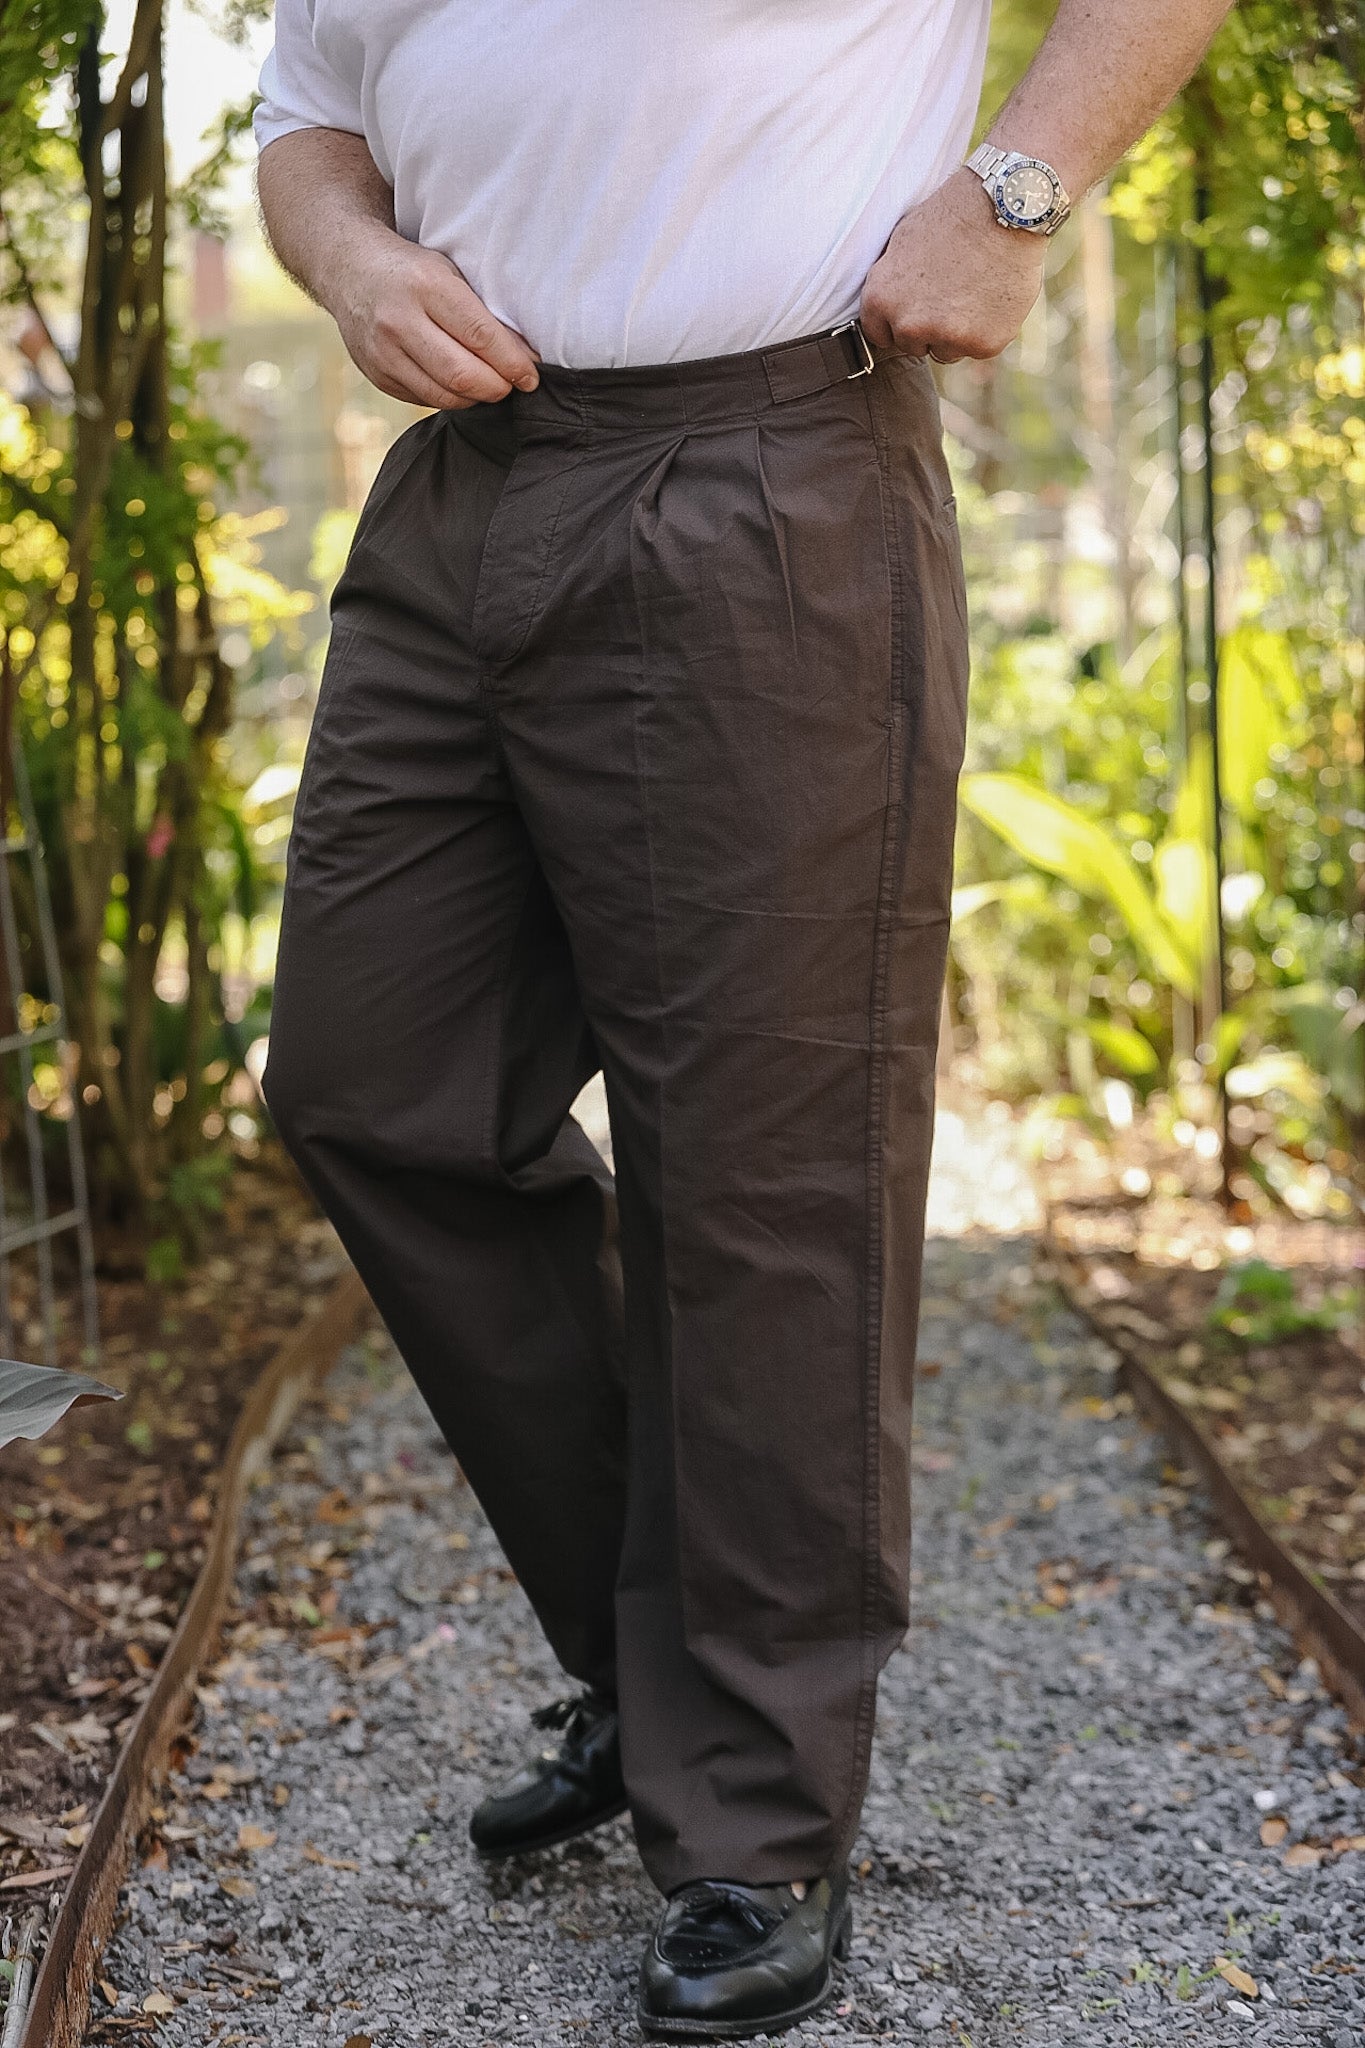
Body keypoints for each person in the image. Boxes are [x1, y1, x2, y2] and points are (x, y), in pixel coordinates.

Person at [253, 1, 1234, 2034]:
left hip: (769, 458)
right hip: (464, 490)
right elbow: (312, 122)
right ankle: (661, 1665)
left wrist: (1012, 186)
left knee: (759, 1167)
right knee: (377, 1087)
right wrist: (353, 263)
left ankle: (755, 1811)